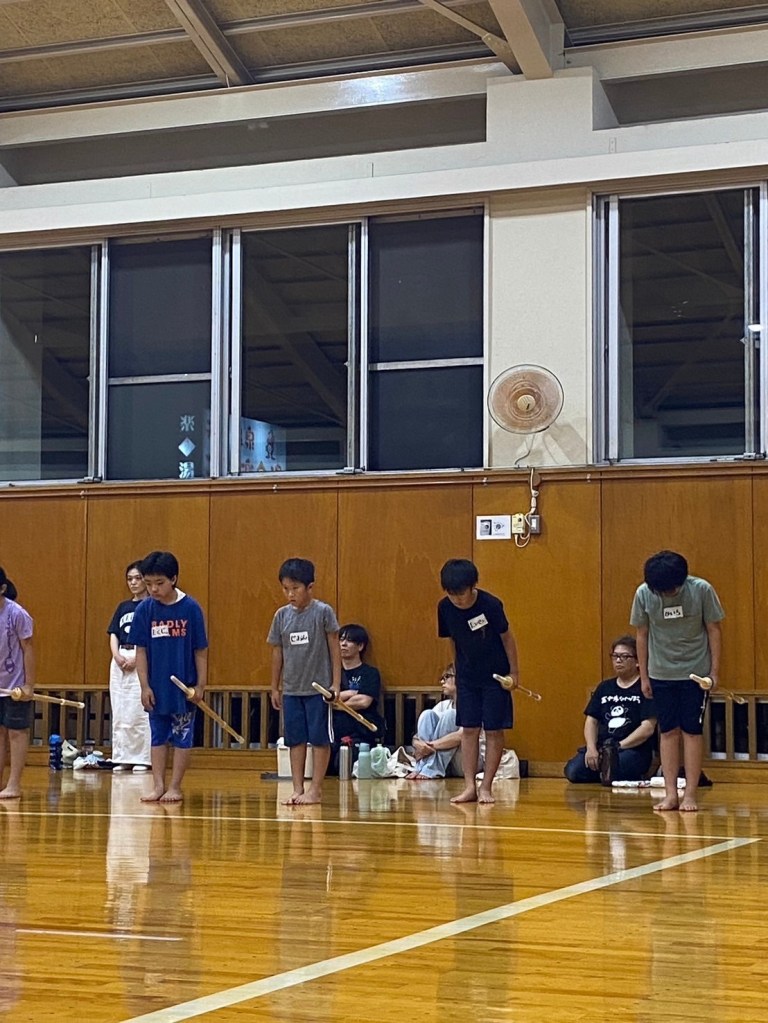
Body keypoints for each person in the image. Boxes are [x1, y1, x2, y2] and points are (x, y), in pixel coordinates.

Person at [630, 550, 724, 813]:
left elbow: (714, 630)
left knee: (692, 732)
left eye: (672, 589)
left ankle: (690, 794)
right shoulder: (644, 594)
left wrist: (714, 673)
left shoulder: (701, 590)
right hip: (660, 673)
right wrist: (644, 676)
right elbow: (641, 634)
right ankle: (671, 794)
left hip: (695, 674)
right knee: (668, 731)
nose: (667, 594)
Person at [437, 558, 519, 804]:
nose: (457, 600)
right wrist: (457, 671)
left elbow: (507, 639)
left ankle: (486, 787)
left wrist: (514, 673)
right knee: (469, 729)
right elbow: (452, 640)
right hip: (467, 678)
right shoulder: (444, 608)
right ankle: (469, 787)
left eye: (461, 594)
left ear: (473, 586)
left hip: (496, 677)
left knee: (493, 730)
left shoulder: (490, 605)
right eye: (452, 594)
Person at [130, 551, 208, 804]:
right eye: (148, 583)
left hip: (184, 688)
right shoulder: (144, 610)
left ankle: (175, 786)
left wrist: (200, 685)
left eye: (159, 583)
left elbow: (200, 650)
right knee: (158, 736)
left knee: (183, 736)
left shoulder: (191, 608)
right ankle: (158, 785)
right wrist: (144, 686)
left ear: (173, 579)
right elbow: (140, 650)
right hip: (156, 687)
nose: (153, 589)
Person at [268, 557, 341, 805]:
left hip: (318, 690)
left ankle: (316, 789)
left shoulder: (323, 612)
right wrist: (275, 687)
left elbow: (334, 648)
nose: (290, 594)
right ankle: (298, 788)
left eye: (295, 588)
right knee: (295, 740)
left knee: (319, 739)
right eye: (285, 589)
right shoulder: (281, 616)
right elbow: (277, 652)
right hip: (291, 690)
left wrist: (336, 684)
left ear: (310, 587)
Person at [563, 636, 657, 784]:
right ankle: (603, 772)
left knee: (617, 768)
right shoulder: (604, 687)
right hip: (602, 747)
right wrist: (591, 748)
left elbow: (648, 728)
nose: (618, 660)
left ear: (638, 661)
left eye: (624, 656)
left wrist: (618, 747)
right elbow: (591, 720)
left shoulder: (645, 687)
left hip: (631, 749)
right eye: (615, 656)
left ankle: (607, 773)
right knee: (573, 771)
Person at [107, 561, 151, 773]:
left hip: (141, 656)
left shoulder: (151, 606)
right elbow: (113, 633)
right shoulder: (123, 607)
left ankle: (143, 758)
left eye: (137, 578)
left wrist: (137, 658)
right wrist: (116, 655)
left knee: (139, 710)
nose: (133, 583)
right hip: (120, 658)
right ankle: (122, 756)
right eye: (129, 579)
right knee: (121, 709)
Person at [0, 568, 34, 799]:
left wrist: (28, 685)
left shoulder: (17, 614)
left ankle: (14, 785)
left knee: (16, 732)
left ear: (2, 588)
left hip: (14, 685)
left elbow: (28, 648)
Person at [407, 664, 463, 779]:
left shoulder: (473, 705)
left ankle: (431, 769)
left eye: (447, 677)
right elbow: (417, 737)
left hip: (465, 761)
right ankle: (421, 767)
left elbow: (461, 736)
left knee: (451, 715)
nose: (442, 682)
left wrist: (429, 747)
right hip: (443, 761)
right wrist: (418, 745)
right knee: (427, 714)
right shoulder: (443, 705)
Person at [335, 623, 385, 747]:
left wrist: (335, 704)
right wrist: (351, 693)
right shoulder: (332, 673)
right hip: (334, 734)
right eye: (341, 640)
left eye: (349, 640)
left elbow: (363, 701)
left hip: (362, 734)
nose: (343, 644)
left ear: (360, 646)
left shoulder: (370, 673)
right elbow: (324, 698)